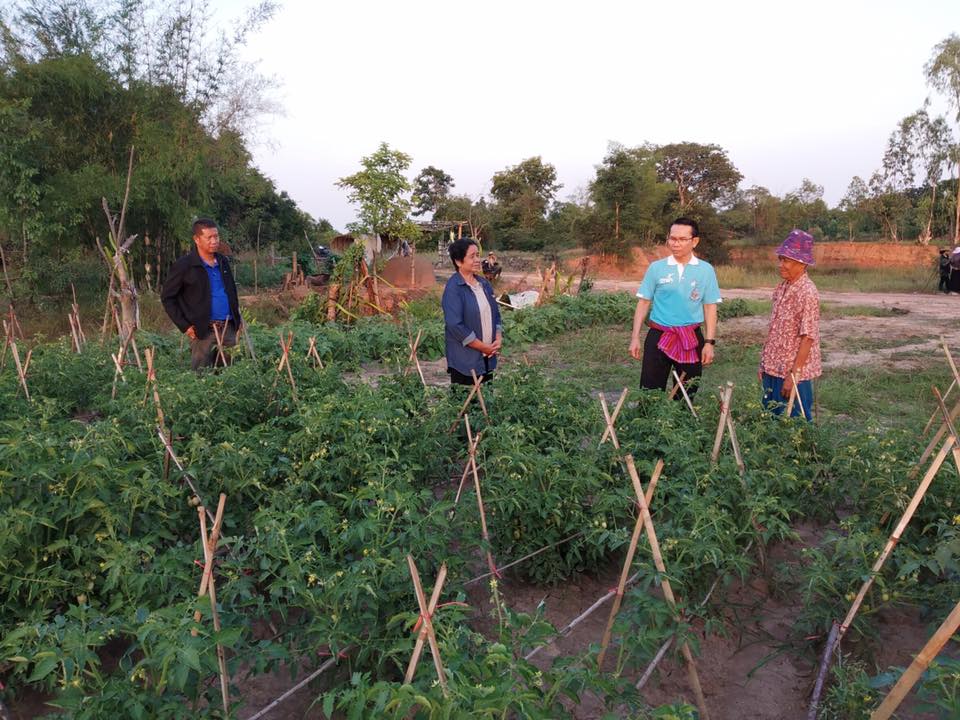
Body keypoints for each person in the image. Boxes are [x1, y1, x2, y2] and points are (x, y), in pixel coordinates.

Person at [628, 218, 721, 394]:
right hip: (658, 336)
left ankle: (681, 412)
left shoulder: (705, 270)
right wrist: (635, 337)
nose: (675, 244)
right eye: (672, 238)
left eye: (682, 239)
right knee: (650, 393)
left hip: (691, 338)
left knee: (686, 393)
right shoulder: (656, 268)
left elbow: (710, 307)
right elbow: (644, 302)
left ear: (695, 241)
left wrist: (709, 343)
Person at [161, 218, 242, 370]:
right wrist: (185, 326)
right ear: (197, 239)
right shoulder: (185, 265)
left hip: (228, 328)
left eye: (216, 236)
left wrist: (237, 318)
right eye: (209, 237)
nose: (214, 241)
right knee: (201, 374)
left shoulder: (223, 262)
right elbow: (168, 298)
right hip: (203, 330)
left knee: (230, 374)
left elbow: (231, 290)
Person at [759, 229, 821, 421]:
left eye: (786, 260)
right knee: (770, 420)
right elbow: (775, 329)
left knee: (795, 424)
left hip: (791, 373)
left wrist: (794, 376)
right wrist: (764, 364)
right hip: (773, 368)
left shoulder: (807, 292)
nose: (781, 265)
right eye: (780, 259)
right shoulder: (783, 287)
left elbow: (808, 337)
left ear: (802, 263)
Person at [442, 239, 503, 385]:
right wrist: (483, 347)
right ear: (458, 261)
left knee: (486, 396)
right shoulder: (454, 289)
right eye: (472, 256)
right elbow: (455, 325)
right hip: (465, 361)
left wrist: (498, 338)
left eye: (478, 255)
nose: (477, 260)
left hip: (488, 357)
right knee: (465, 397)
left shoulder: (484, 284)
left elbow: (495, 314)